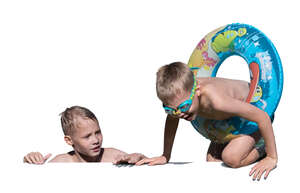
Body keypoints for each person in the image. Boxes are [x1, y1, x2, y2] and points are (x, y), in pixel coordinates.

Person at [136, 62, 278, 181]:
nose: (179, 113)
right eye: (170, 109)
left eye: (184, 107)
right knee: (212, 160)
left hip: (254, 113)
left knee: (231, 158)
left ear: (197, 90)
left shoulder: (217, 101)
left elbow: (262, 117)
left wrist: (272, 157)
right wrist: (165, 155)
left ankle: (261, 147)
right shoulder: (180, 101)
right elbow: (172, 119)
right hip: (231, 118)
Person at [23, 106, 146, 164]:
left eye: (97, 132)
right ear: (69, 140)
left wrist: (138, 157)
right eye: (87, 136)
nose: (95, 140)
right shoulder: (62, 162)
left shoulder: (113, 156)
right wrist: (30, 161)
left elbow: (146, 164)